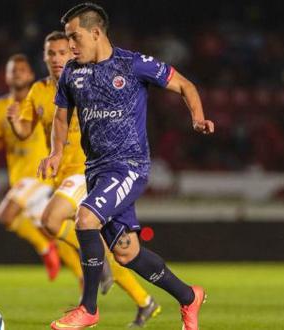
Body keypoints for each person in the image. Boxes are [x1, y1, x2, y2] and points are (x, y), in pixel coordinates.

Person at [40, 3, 215, 330]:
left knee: (85, 218)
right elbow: (61, 116)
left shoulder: (133, 64)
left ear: (96, 33)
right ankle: (189, 297)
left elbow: (185, 85)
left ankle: (88, 309)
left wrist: (197, 117)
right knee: (126, 254)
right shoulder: (72, 75)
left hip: (128, 166)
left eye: (74, 37)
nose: (70, 47)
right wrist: (54, 153)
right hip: (96, 170)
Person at [8, 31, 161, 327]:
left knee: (51, 221)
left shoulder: (87, 81)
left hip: (88, 172)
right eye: (51, 53)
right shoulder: (38, 91)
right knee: (114, 249)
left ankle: (99, 275)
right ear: (44, 56)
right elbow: (26, 132)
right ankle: (145, 301)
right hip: (62, 176)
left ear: (73, 53)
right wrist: (16, 123)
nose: (56, 59)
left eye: (62, 52)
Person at [0, 53, 79, 282]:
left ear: (30, 74)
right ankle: (83, 276)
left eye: (22, 69)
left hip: (39, 176)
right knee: (54, 230)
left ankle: (44, 249)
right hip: (19, 177)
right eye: (13, 69)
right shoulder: (0, 105)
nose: (18, 72)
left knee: (7, 214)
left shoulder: (40, 98)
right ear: (6, 76)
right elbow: (0, 141)